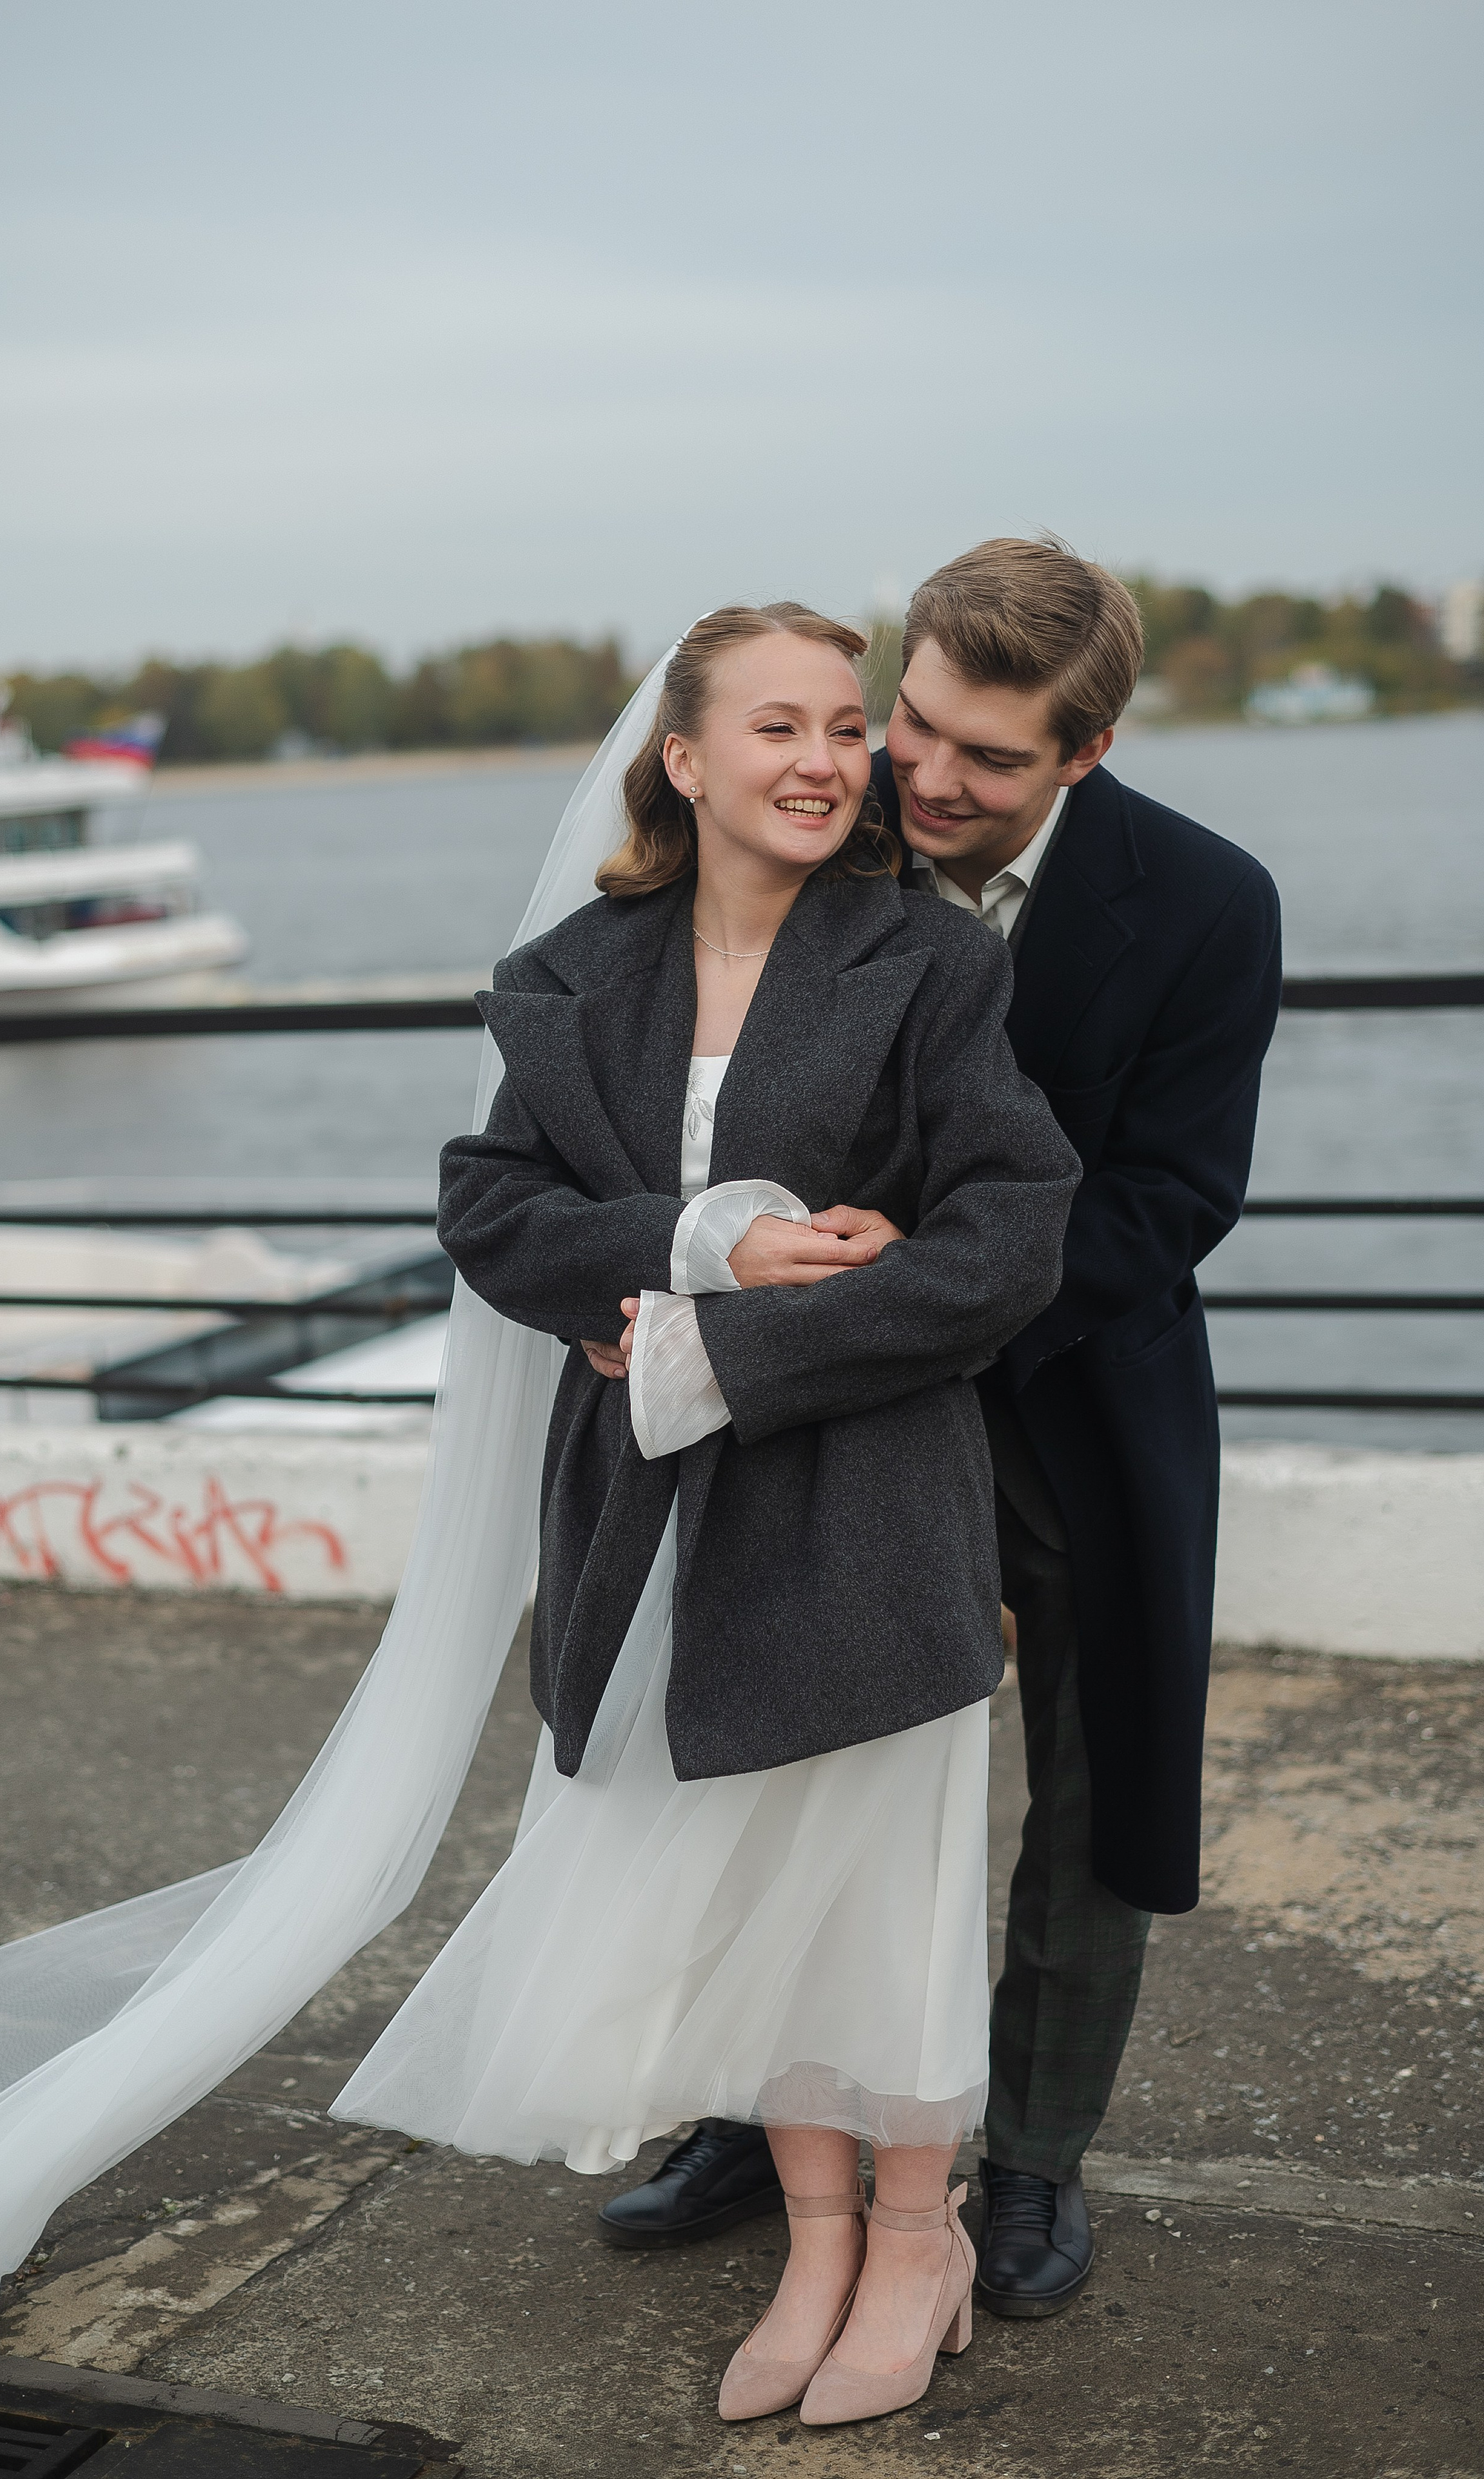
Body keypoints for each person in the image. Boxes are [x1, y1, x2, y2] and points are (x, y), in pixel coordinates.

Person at [333, 601, 1080, 2425]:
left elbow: (1012, 1234)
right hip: (644, 1528)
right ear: (684, 760)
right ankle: (815, 2235)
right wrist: (693, 1247)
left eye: (848, 725)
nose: (830, 758)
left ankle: (920, 2238)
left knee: (880, 1892)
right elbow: (491, 1207)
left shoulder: (931, 963)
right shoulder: (569, 976)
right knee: (752, 1882)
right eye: (780, 728)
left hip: (867, 1501)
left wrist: (731, 1353)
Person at [599, 540, 1283, 2326]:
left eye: (989, 756)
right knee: (792, 1759)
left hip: (1083, 1399)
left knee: (1088, 1795)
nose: (925, 776)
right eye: (915, 724)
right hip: (823, 1409)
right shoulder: (829, 833)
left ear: (1091, 749)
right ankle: (765, 2113)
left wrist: (953, 1301)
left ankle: (1037, 2160)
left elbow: (1174, 1199)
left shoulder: (1211, 904)